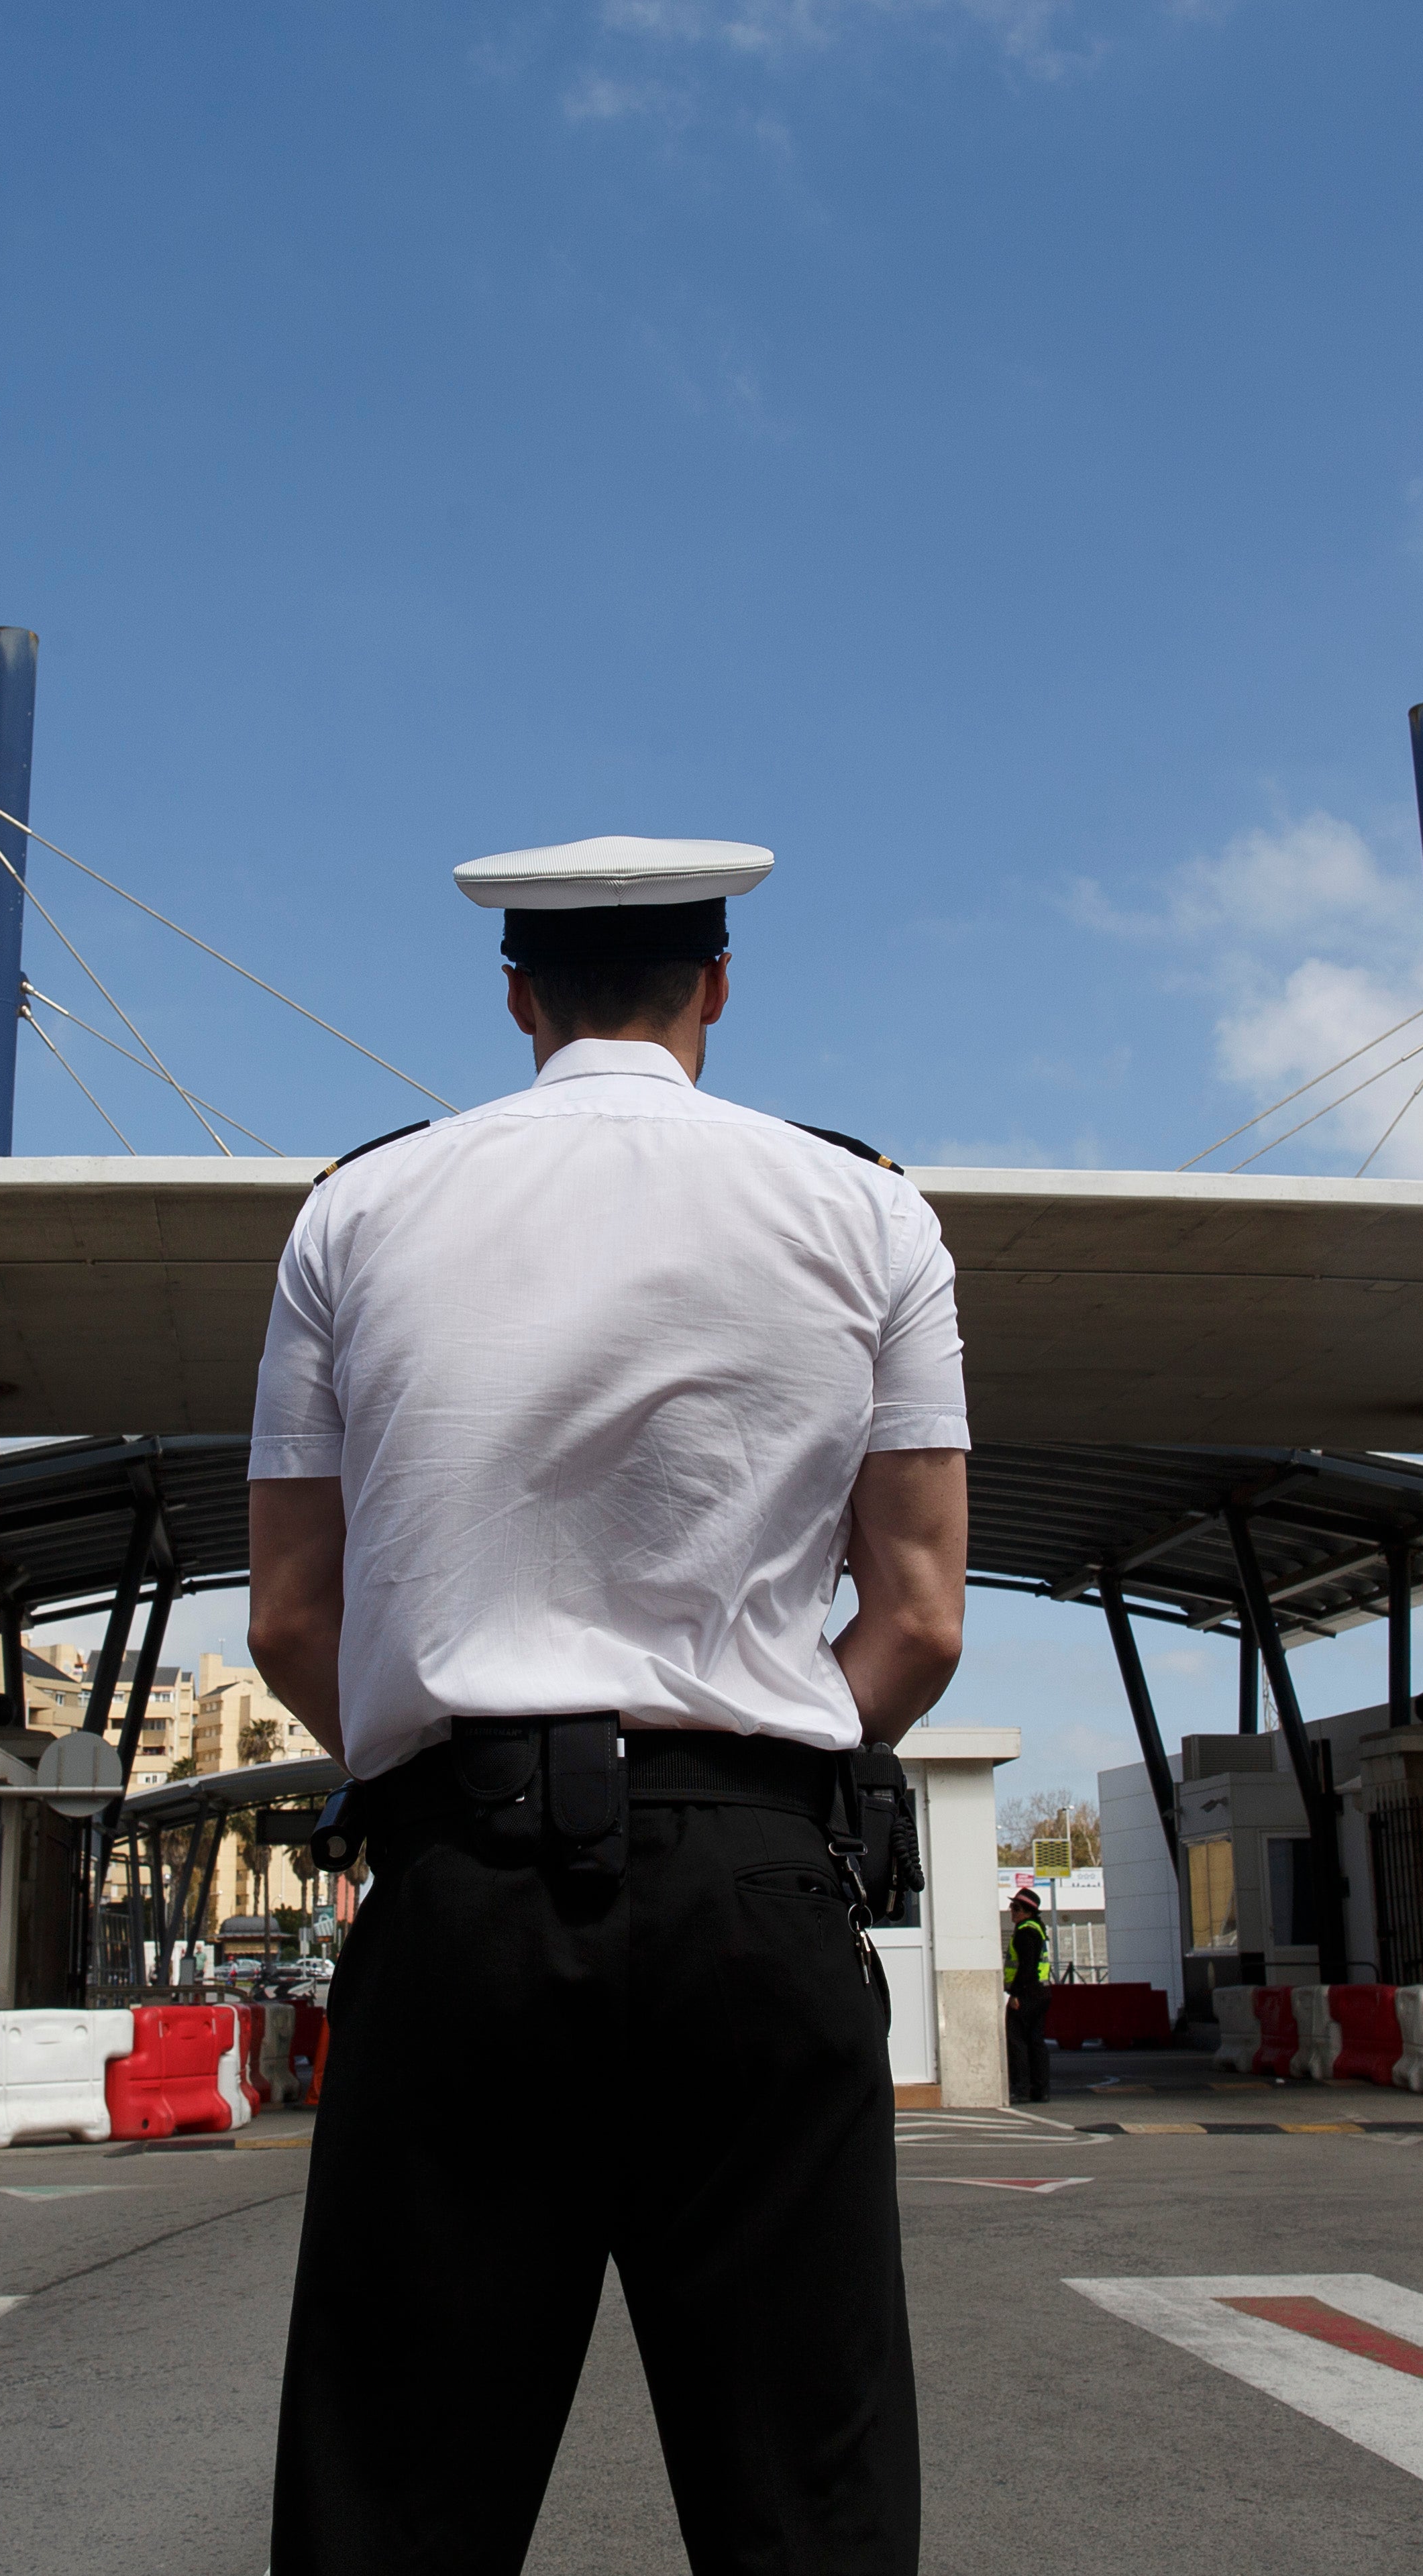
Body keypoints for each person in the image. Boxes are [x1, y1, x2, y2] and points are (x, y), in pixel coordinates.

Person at [248, 835, 970, 2576]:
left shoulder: (358, 1207)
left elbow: (291, 1615)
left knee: (397, 2489)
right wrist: (779, 1765)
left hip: (463, 1887)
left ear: (518, 997)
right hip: (759, 1882)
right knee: (810, 2486)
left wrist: (445, 1776)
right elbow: (923, 1613)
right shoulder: (865, 1206)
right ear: (718, 985)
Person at [1006, 1886, 1052, 2104]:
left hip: (1027, 1995)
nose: (1012, 1912)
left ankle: (1021, 2088)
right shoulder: (1038, 1929)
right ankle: (1040, 2089)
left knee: (1018, 2043)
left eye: (1016, 1908)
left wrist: (1015, 1994)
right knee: (1036, 2042)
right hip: (1041, 1993)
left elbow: (1027, 1967)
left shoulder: (1026, 1932)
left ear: (1028, 1911)